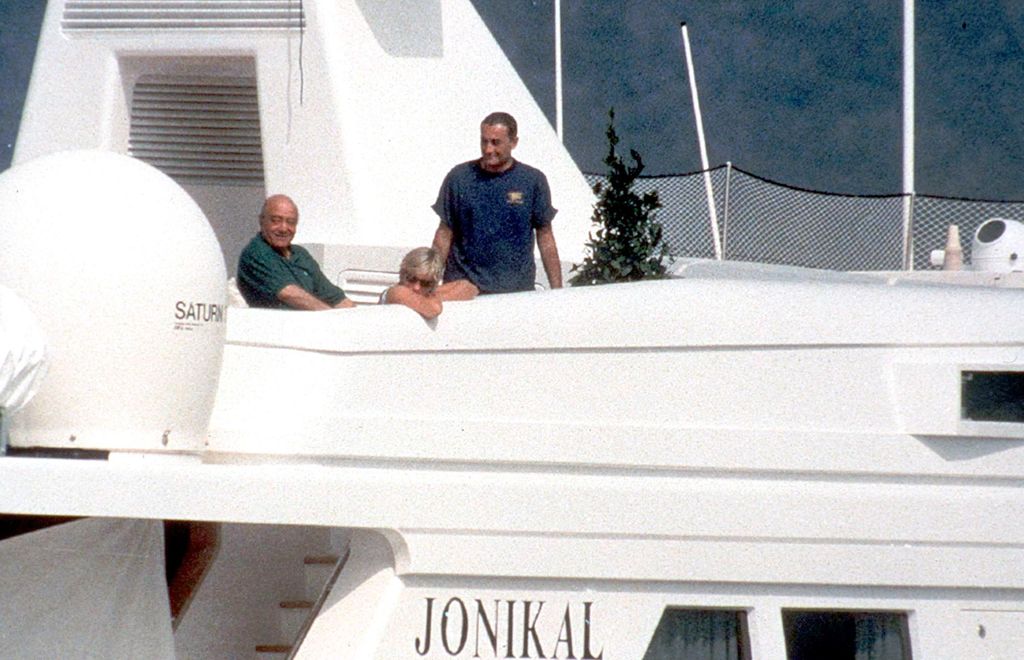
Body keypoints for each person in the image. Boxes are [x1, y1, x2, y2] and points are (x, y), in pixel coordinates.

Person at [431, 111, 562, 298]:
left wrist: (558, 291)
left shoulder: (533, 180)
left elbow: (545, 236)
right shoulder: (459, 177)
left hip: (515, 294)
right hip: (465, 292)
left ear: (513, 142)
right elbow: (443, 235)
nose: (488, 149)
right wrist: (430, 283)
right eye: (484, 141)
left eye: (495, 142)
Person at [237, 194, 355, 310]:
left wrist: (354, 317)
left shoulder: (301, 254)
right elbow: (289, 294)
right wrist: (332, 319)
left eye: (291, 222)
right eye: (276, 220)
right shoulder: (256, 253)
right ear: (262, 221)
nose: (284, 228)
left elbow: (335, 297)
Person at [380, 247, 445, 320]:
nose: (416, 287)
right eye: (412, 279)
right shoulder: (394, 292)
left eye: (425, 283)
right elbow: (434, 309)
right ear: (403, 274)